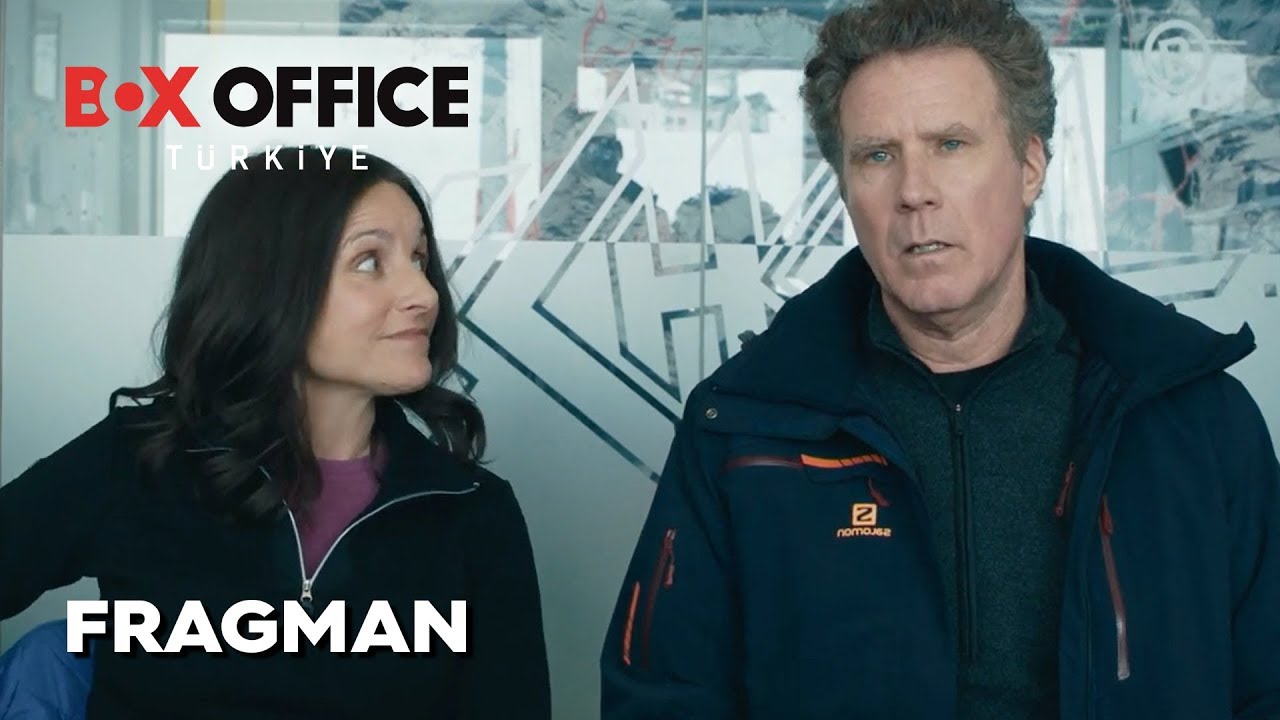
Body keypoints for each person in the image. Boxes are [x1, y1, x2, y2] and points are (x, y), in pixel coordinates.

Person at [600, 0, 1280, 718]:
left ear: (1029, 166)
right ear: (845, 188)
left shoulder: (1192, 421)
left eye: (950, 144)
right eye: (877, 155)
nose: (914, 192)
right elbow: (663, 700)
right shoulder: (744, 429)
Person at [0, 146, 552, 719]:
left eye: (418, 259)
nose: (425, 294)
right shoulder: (138, 459)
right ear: (266, 283)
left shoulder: (471, 511)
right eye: (369, 261)